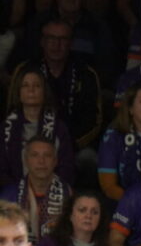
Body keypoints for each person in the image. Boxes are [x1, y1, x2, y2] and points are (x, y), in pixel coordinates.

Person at [14, 17, 103, 151]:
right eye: (51, 38)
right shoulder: (26, 70)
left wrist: (67, 145)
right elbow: (13, 111)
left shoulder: (86, 73)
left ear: (71, 43)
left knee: (88, 158)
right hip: (30, 143)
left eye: (63, 39)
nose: (56, 44)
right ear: (42, 42)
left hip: (74, 145)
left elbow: (93, 121)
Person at [0, 65, 74, 186]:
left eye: (37, 85)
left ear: (44, 91)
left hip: (53, 191)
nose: (31, 90)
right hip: (14, 192)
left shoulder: (59, 128)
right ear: (18, 92)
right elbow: (2, 169)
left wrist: (48, 189)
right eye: (25, 85)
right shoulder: (5, 128)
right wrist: (19, 191)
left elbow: (66, 167)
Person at [0, 136, 72, 242]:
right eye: (35, 155)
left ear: (55, 161)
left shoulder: (69, 194)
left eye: (47, 155)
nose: (41, 161)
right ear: (26, 160)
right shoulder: (8, 196)